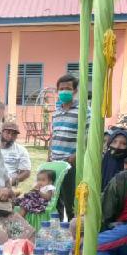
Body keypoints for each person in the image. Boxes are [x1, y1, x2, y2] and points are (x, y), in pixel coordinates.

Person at [49, 73, 82, 218]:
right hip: (54, 163)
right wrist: (48, 156)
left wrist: (75, 156)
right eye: (61, 89)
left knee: (71, 202)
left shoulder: (82, 112)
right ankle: (57, 233)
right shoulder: (56, 113)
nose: (64, 91)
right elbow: (54, 135)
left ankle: (72, 234)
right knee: (54, 201)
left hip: (71, 164)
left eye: (67, 88)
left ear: (74, 90)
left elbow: (87, 138)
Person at [0, 117, 32, 187]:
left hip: (10, 183)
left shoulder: (21, 150)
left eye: (14, 134)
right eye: (8, 132)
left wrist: (14, 180)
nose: (10, 136)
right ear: (1, 132)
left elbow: (26, 172)